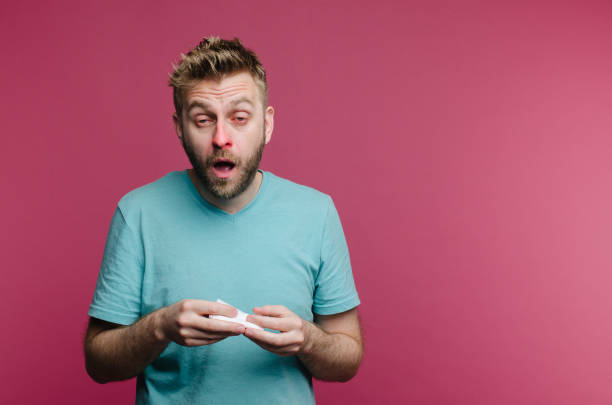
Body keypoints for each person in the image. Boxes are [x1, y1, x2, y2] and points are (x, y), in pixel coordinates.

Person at [84, 37, 362, 404]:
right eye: (203, 119)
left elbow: (347, 360)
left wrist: (308, 340)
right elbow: (98, 363)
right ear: (180, 128)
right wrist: (160, 327)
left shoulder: (317, 212)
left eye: (239, 118)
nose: (221, 138)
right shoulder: (137, 213)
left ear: (267, 124)